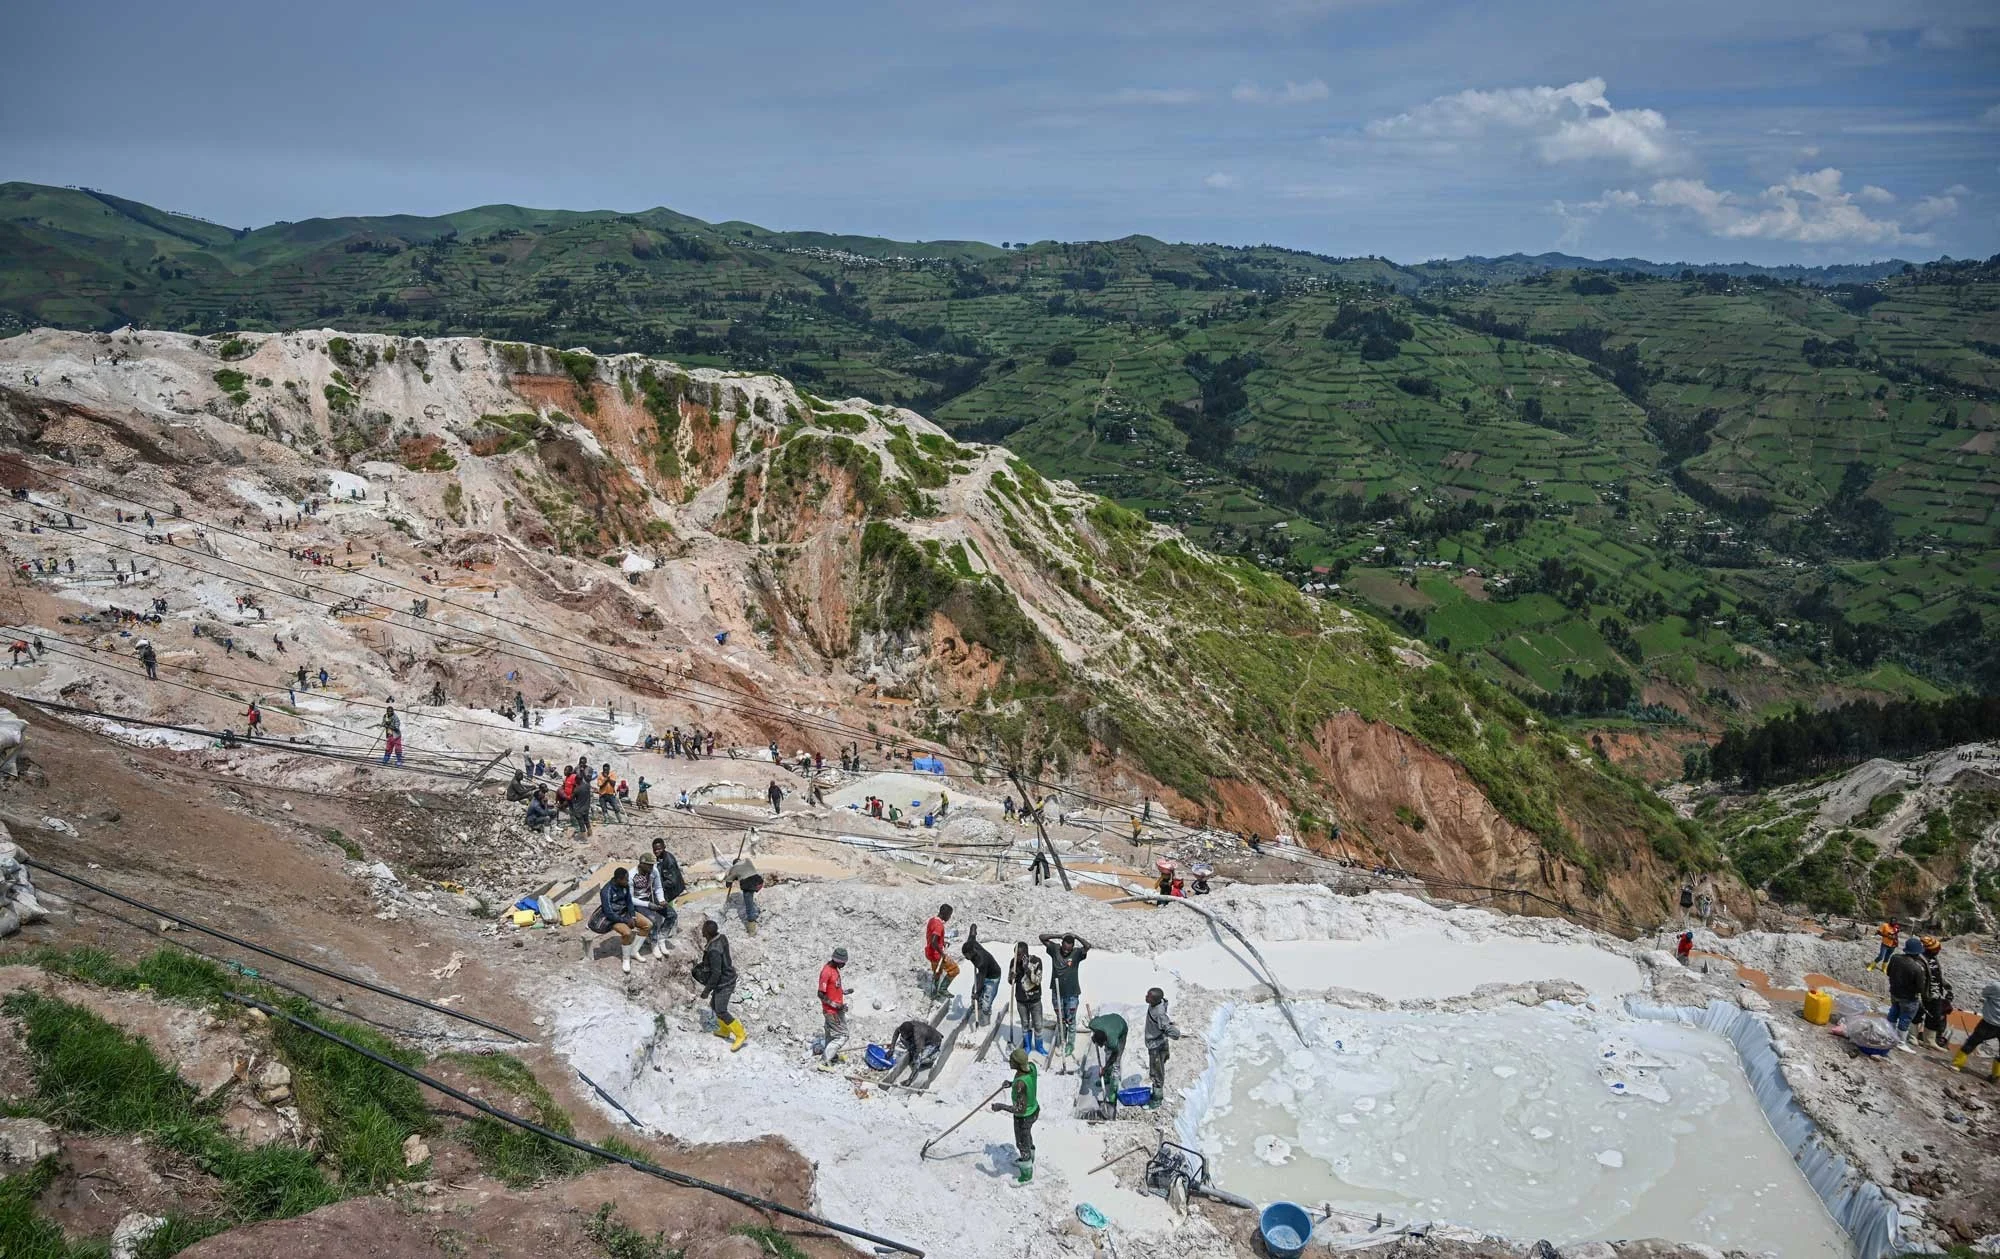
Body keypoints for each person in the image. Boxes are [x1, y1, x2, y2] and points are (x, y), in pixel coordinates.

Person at [694, 920, 745, 1051]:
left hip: (725, 982)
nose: (702, 931)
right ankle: (724, 1030)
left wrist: (706, 990)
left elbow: (716, 973)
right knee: (714, 1006)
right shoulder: (721, 937)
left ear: (706, 933)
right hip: (727, 976)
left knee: (721, 1010)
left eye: (703, 929)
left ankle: (740, 1035)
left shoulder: (713, 951)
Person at [991, 1048, 1039, 1184]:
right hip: (1034, 1110)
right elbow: (1025, 1086)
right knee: (1027, 1136)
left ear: (1017, 1064)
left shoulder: (1020, 1083)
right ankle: (1030, 1157)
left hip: (1024, 1117)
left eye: (1012, 1060)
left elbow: (1019, 1108)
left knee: (1021, 1143)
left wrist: (1001, 1106)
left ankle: (1026, 1175)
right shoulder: (1031, 1067)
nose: (1009, 1061)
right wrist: (1011, 1085)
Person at [595, 867, 656, 974]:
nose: (628, 882)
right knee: (627, 933)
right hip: (614, 918)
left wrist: (632, 916)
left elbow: (629, 902)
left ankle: (634, 951)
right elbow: (609, 913)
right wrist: (624, 920)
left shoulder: (625, 886)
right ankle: (626, 959)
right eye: (626, 879)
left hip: (626, 913)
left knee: (648, 925)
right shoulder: (606, 891)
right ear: (618, 879)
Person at [1039, 931, 1092, 1051]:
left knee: (1070, 1020)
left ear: (1072, 947)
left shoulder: (1077, 953)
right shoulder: (1055, 949)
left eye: (1069, 949)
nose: (1066, 951)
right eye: (1064, 948)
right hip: (1057, 992)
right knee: (1060, 1018)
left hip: (1072, 993)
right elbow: (1042, 937)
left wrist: (1076, 936)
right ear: (1061, 944)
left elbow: (1088, 946)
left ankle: (1070, 1044)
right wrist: (1059, 935)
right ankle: (1062, 1039)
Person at [637, 837, 685, 944]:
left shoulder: (669, 861)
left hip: (671, 889)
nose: (657, 851)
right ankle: (662, 931)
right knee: (663, 909)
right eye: (655, 850)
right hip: (665, 888)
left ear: (664, 847)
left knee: (664, 910)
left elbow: (671, 881)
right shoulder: (660, 858)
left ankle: (663, 933)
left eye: (659, 849)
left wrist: (656, 886)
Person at [1950, 980, 2000, 1079]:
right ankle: (1996, 1074)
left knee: (1972, 1042)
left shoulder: (1996, 986)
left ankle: (1956, 1064)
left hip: (1989, 1023)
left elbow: (1984, 993)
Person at [1886, 936, 1927, 1051]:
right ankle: (1900, 1042)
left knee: (1893, 1012)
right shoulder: (1917, 968)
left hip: (1894, 993)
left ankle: (1889, 1035)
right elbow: (1920, 988)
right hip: (1909, 998)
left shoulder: (1895, 958)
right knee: (1905, 1019)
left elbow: (1888, 972)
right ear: (1917, 953)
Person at [1143, 987, 1182, 1107]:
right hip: (1158, 1042)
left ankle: (1157, 1099)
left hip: (1157, 1045)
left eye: (1149, 996)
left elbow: (1166, 1026)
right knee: (1159, 1069)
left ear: (1155, 999)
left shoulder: (1159, 1013)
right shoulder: (1157, 1004)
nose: (1146, 997)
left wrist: (1176, 1034)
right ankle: (1156, 1093)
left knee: (1156, 1073)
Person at [1917, 936, 1954, 1051]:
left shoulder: (1933, 958)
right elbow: (1921, 978)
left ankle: (1930, 1040)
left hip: (1936, 993)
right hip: (1926, 993)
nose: (1938, 951)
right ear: (1931, 949)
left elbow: (1937, 975)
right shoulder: (1921, 959)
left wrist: (1946, 985)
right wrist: (1919, 993)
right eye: (1937, 949)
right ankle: (1912, 1036)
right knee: (1918, 1014)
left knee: (1935, 1016)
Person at [1087, 1012, 1129, 1110]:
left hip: (1121, 1026)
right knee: (1107, 1053)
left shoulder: (1113, 1041)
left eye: (1103, 1044)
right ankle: (1106, 1077)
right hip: (1110, 1023)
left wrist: (1105, 1068)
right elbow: (1096, 1018)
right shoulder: (1092, 1025)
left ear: (1106, 1041)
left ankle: (1113, 1092)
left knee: (1115, 1063)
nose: (1102, 1046)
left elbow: (1114, 1056)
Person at [818, 946, 851, 1066]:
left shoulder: (834, 969)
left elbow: (832, 989)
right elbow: (821, 994)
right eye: (843, 963)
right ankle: (824, 1062)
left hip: (835, 1009)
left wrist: (843, 992)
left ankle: (832, 1056)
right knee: (842, 1036)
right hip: (832, 1011)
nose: (844, 965)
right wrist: (837, 1006)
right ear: (839, 961)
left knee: (830, 1034)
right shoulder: (827, 972)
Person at [1010, 941, 1044, 1051]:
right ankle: (1027, 1046)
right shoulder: (1013, 962)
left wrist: (1027, 969)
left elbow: (1037, 981)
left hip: (1035, 1000)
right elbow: (1010, 981)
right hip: (1021, 1000)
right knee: (1025, 1024)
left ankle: (1039, 1047)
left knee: (1038, 1024)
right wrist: (1012, 977)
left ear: (1025, 953)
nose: (1016, 957)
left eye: (1018, 955)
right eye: (1015, 954)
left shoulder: (1036, 961)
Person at [963, 925, 1002, 1026]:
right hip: (982, 973)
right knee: (975, 998)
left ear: (972, 952)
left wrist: (978, 992)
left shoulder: (981, 960)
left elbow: (981, 978)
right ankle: (977, 1009)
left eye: (967, 956)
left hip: (992, 977)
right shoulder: (971, 944)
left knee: (986, 1003)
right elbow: (972, 935)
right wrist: (973, 928)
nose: (966, 958)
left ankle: (985, 1023)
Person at [891, 1018, 944, 1085]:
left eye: (905, 1035)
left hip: (934, 1042)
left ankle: (934, 1055)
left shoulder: (918, 1037)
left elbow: (917, 1060)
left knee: (920, 1059)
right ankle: (913, 1049)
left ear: (910, 1033)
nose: (903, 1036)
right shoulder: (905, 1026)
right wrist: (891, 1049)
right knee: (902, 1039)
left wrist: (909, 1080)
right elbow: (897, 1032)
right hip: (924, 1037)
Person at [925, 904, 960, 1000]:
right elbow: (933, 942)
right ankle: (943, 989)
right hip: (936, 955)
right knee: (954, 970)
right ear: (945, 914)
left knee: (937, 972)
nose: (949, 917)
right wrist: (942, 954)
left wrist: (942, 942)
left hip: (929, 953)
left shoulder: (932, 920)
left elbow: (932, 938)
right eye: (949, 915)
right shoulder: (939, 925)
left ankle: (934, 993)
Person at [725, 857, 765, 935]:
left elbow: (728, 883)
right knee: (751, 897)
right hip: (759, 882)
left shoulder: (733, 868)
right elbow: (745, 871)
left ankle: (752, 930)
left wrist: (732, 877)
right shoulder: (747, 860)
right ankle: (754, 915)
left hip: (748, 885)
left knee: (749, 907)